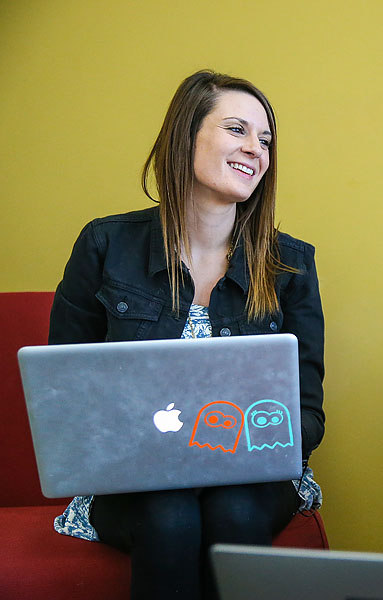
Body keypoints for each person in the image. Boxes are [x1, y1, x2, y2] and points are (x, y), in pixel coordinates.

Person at [48, 70, 325, 600]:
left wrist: (237, 450)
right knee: (169, 514)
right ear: (185, 137)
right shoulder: (104, 244)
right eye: (238, 130)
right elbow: (64, 395)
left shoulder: (291, 264)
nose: (256, 150)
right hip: (133, 477)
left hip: (252, 478)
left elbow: (308, 414)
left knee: (234, 508)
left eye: (265, 140)